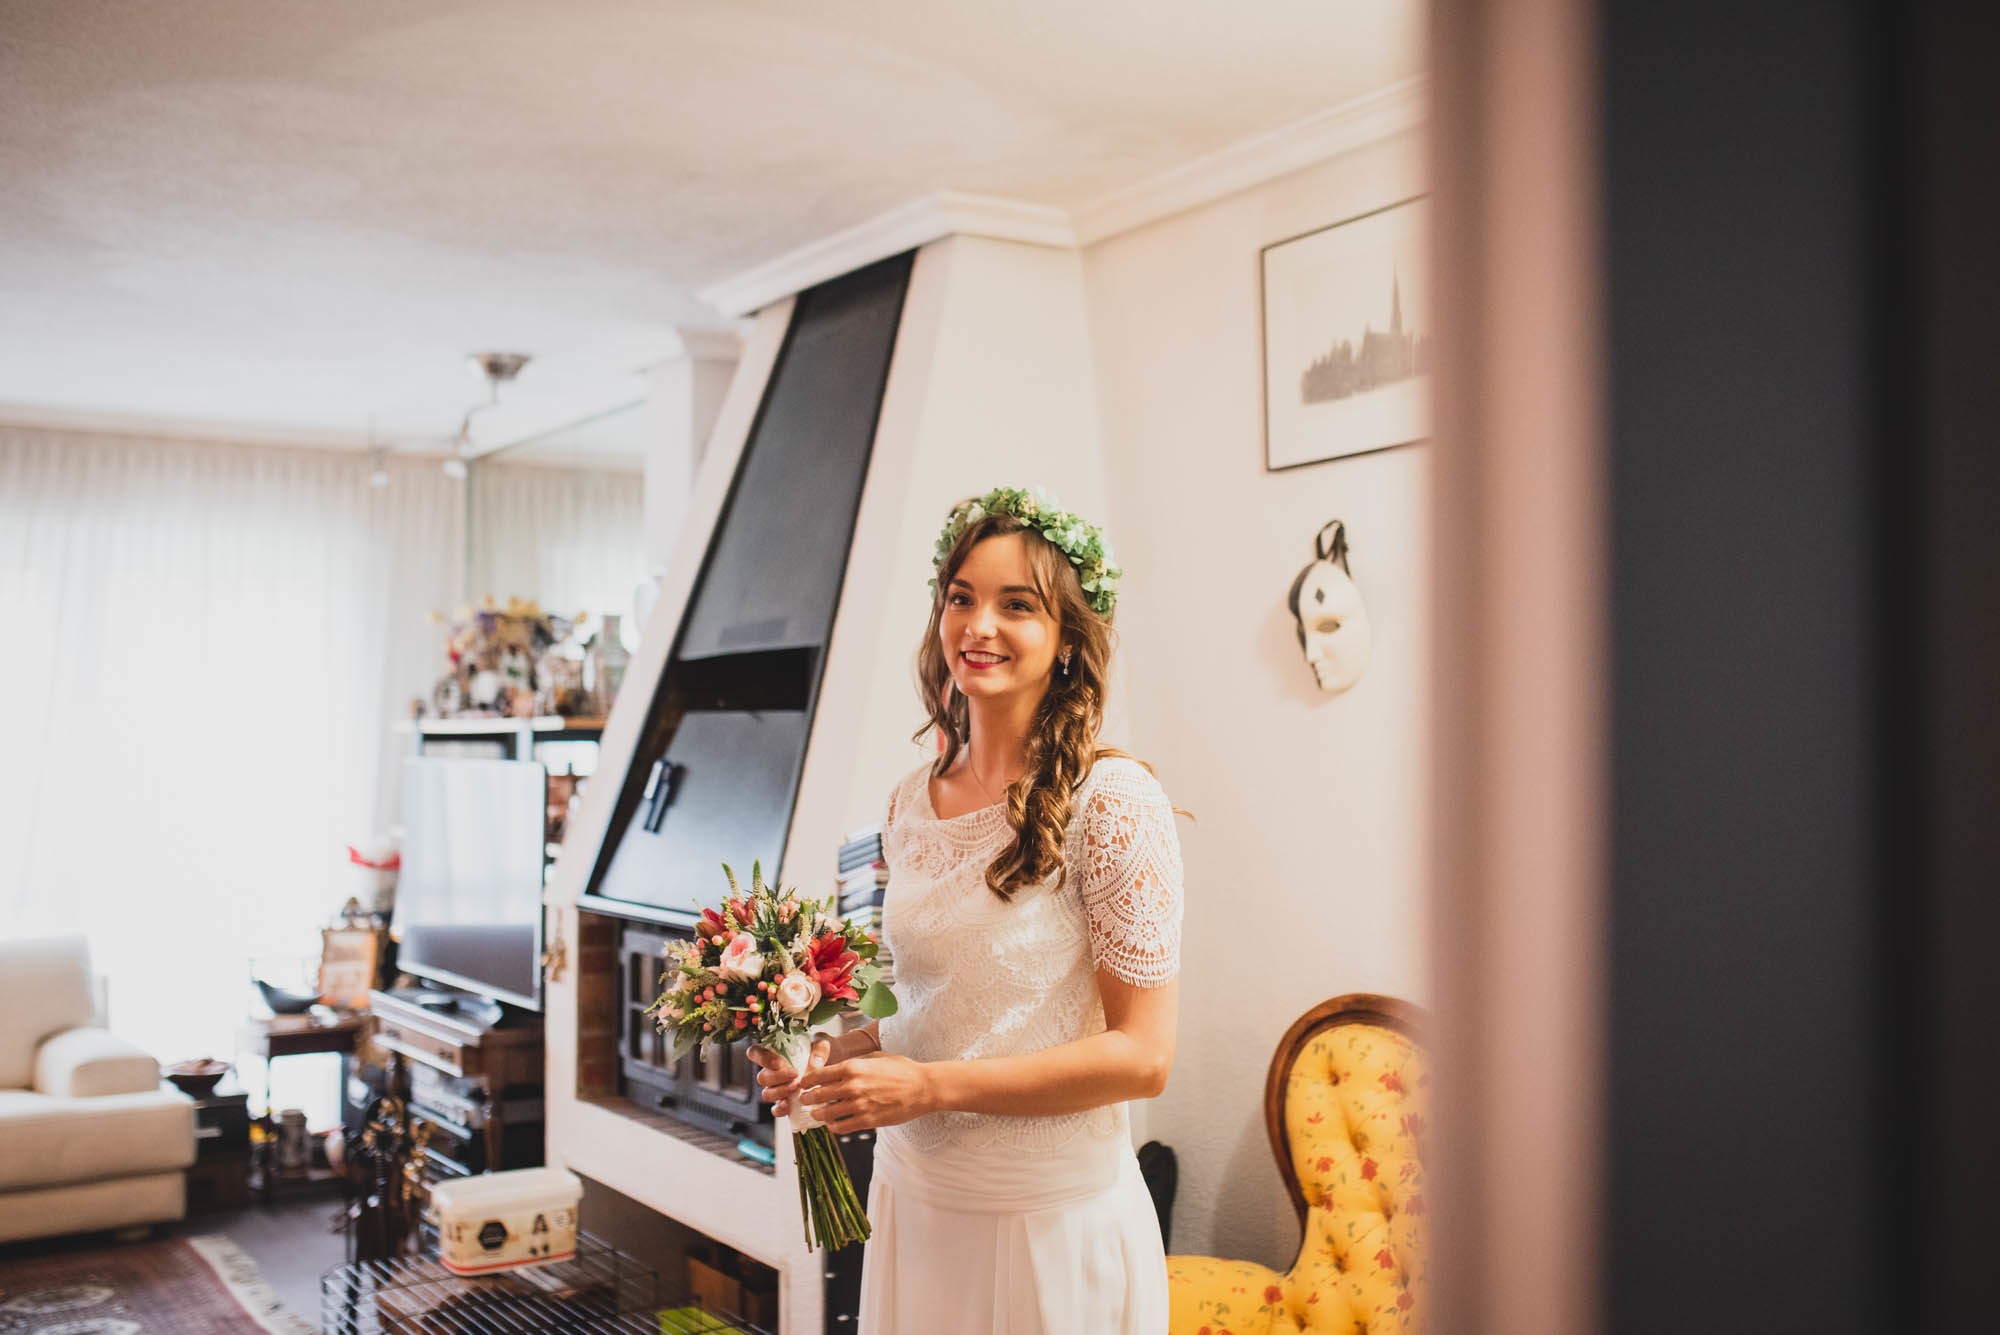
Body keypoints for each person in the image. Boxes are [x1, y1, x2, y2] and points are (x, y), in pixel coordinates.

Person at [747, 486, 1186, 1334]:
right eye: (961, 598)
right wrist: (836, 1057)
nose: (979, 626)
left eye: (1016, 604)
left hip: (1049, 1224)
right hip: (916, 1207)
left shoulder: (1114, 801)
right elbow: (931, 1007)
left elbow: (1144, 1056)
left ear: (1068, 638)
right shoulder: (910, 801)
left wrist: (927, 1086)